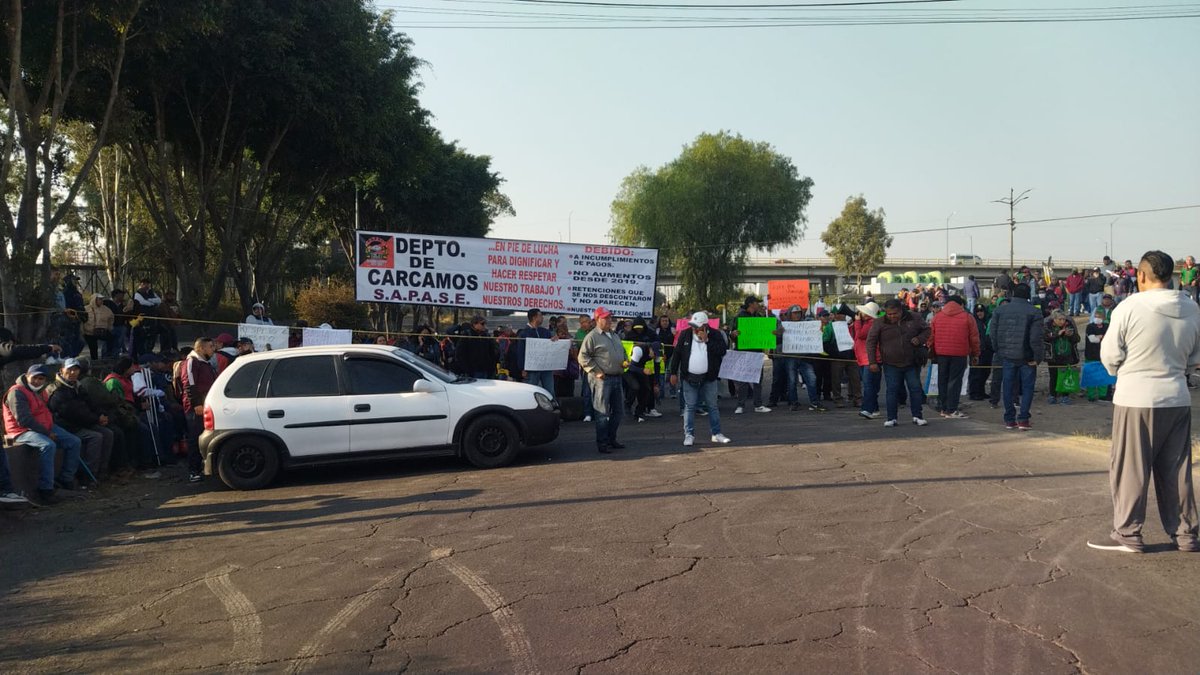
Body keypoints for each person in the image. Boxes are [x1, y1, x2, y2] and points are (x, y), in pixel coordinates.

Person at [1089, 250, 1200, 553]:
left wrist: (1121, 371)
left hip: (1136, 396)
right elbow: (1195, 357)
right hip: (1177, 397)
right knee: (1177, 469)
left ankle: (1128, 533)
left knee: (1131, 467)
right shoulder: (1192, 308)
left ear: (1140, 275)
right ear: (1172, 275)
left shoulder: (1129, 306)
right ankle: (1185, 534)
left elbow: (1110, 355)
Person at [2, 364, 83, 504]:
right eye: (35, 378)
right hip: (21, 430)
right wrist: (46, 432)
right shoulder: (17, 392)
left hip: (46, 426)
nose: (37, 381)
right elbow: (23, 420)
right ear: (27, 376)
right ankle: (46, 489)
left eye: (41, 379)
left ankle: (66, 479)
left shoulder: (40, 391)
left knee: (74, 441)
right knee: (48, 445)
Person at [46, 358, 113, 483]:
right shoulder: (57, 390)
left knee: (108, 433)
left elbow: (90, 404)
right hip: (67, 426)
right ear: (62, 370)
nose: (73, 373)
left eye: (75, 370)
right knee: (96, 437)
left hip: (82, 422)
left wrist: (101, 415)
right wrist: (96, 419)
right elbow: (72, 413)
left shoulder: (77, 386)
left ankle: (102, 471)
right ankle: (88, 476)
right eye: (69, 370)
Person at [668, 311, 730, 447]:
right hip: (689, 377)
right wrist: (673, 373)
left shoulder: (715, 334)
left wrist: (707, 340)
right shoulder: (685, 334)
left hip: (709, 377)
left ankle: (716, 433)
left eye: (697, 326)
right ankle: (689, 435)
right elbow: (677, 354)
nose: (694, 328)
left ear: (705, 325)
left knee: (712, 406)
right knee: (689, 407)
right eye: (692, 325)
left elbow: (722, 351)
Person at [866, 299, 930, 427]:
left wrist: (920, 339)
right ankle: (892, 418)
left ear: (901, 311)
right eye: (889, 314)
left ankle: (917, 416)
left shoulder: (915, 317)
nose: (892, 316)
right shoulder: (879, 322)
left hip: (912, 362)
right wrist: (872, 362)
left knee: (915, 389)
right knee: (892, 390)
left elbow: (927, 330)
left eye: (895, 313)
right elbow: (871, 342)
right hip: (891, 363)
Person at [989, 283, 1044, 430]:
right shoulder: (1035, 312)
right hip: (1027, 356)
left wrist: (998, 349)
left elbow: (993, 333)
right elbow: (1036, 338)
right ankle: (1023, 419)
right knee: (1027, 388)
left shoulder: (1000, 310)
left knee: (1007, 386)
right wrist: (1038, 357)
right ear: (1028, 295)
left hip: (1006, 354)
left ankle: (1009, 419)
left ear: (1013, 294)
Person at [578, 307, 627, 454]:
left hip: (617, 377)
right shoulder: (592, 336)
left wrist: (625, 360)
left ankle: (611, 438)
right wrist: (596, 371)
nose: (609, 320)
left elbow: (622, 351)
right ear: (597, 319)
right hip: (602, 379)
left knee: (618, 411)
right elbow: (582, 357)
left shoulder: (614, 335)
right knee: (602, 413)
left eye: (610, 317)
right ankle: (602, 442)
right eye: (605, 318)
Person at [928, 295, 980, 419]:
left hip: (941, 354)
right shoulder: (967, 317)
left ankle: (943, 408)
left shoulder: (937, 317)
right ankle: (952, 409)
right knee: (955, 382)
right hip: (959, 354)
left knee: (943, 380)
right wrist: (975, 354)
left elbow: (931, 336)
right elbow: (974, 338)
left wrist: (931, 352)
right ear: (960, 304)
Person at [180, 337, 218, 483]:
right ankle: (193, 470)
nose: (213, 349)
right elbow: (189, 383)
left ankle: (201, 467)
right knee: (195, 438)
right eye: (210, 346)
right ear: (201, 348)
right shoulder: (192, 362)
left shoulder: (205, 363)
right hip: (195, 408)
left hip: (206, 405)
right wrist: (196, 404)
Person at [731, 295, 772, 414]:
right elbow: (732, 334)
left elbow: (764, 333)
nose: (758, 305)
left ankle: (758, 404)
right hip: (743, 352)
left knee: (758, 380)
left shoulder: (759, 317)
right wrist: (733, 334)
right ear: (751, 304)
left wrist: (770, 333)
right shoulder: (739, 317)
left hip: (757, 352)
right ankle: (740, 405)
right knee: (743, 380)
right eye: (756, 303)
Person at [513, 308, 555, 393]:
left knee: (550, 391)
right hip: (531, 368)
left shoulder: (545, 331)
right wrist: (522, 368)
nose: (542, 318)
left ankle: (551, 402)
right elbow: (521, 352)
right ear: (534, 317)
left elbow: (551, 342)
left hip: (545, 367)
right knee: (531, 390)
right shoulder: (524, 333)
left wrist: (555, 339)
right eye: (540, 316)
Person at [1043, 309, 1080, 405]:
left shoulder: (1069, 325)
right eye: (1059, 319)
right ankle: (1052, 395)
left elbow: (1077, 339)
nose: (1062, 321)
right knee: (1053, 376)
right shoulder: (1048, 326)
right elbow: (1045, 337)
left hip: (1067, 355)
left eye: (1063, 319)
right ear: (1054, 319)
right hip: (1053, 355)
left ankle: (1065, 396)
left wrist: (1070, 335)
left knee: (1065, 375)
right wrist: (1057, 334)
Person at [853, 301, 882, 419]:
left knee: (868, 385)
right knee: (871, 385)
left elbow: (860, 335)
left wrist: (857, 322)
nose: (863, 314)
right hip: (864, 358)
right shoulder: (867, 322)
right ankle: (874, 408)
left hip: (869, 359)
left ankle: (868, 409)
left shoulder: (871, 323)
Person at [967, 304, 994, 401]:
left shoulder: (987, 321)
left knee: (985, 372)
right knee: (975, 373)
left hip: (987, 351)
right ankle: (974, 393)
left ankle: (981, 391)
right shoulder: (973, 322)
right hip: (977, 351)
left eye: (981, 311)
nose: (980, 313)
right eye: (978, 311)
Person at [574, 314, 595, 422]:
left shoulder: (596, 331)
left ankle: (599, 412)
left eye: (586, 321)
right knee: (587, 390)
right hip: (586, 366)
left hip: (598, 364)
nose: (584, 324)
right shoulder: (579, 334)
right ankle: (587, 413)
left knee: (599, 391)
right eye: (582, 322)